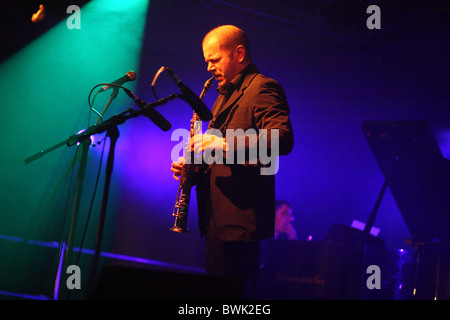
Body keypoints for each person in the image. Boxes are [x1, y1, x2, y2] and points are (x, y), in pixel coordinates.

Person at [171, 25, 293, 297]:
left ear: (239, 53)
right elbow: (218, 157)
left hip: (241, 220)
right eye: (207, 62)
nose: (209, 68)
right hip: (216, 218)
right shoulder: (221, 98)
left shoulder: (263, 87)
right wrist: (193, 170)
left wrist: (224, 143)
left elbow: (282, 139)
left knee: (237, 297)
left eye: (215, 60)